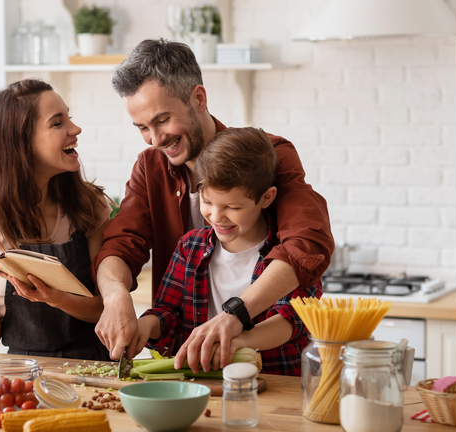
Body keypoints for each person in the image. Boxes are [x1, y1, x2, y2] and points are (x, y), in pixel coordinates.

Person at [93, 38, 334, 372]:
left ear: (199, 98)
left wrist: (235, 316)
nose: (155, 139)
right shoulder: (150, 167)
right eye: (142, 128)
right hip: (191, 372)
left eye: (162, 120)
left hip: (272, 370)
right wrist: (116, 296)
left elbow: (307, 242)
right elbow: (121, 245)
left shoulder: (269, 155)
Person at [0, 79, 112, 361]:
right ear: (21, 142)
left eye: (69, 118)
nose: (75, 129)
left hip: (93, 365)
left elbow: (105, 309)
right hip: (22, 372)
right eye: (58, 123)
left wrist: (55, 298)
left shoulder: (89, 206)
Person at [135, 127, 320, 375]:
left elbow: (293, 320)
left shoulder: (288, 254)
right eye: (207, 201)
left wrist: (240, 341)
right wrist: (145, 325)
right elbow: (169, 313)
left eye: (232, 207)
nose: (216, 216)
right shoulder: (189, 247)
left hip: (276, 384)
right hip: (206, 386)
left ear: (266, 198)